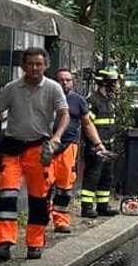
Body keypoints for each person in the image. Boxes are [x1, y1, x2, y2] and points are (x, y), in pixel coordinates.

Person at [0, 48, 69, 261]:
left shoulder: (53, 88)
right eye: (31, 64)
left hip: (39, 148)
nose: (35, 68)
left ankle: (35, 243)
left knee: (39, 198)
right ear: (23, 66)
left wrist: (56, 137)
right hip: (12, 147)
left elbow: (64, 114)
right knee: (7, 194)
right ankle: (3, 242)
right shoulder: (11, 89)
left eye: (39, 64)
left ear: (46, 66)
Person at [52, 68, 109, 233]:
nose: (64, 83)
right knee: (44, 186)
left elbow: (87, 123)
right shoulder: (47, 97)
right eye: (61, 80)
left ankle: (60, 220)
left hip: (68, 146)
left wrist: (97, 142)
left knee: (64, 186)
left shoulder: (78, 100)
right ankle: (40, 219)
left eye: (68, 80)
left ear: (72, 81)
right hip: (47, 146)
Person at [83, 68, 121, 218]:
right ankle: (86, 207)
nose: (116, 85)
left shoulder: (108, 101)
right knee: (93, 176)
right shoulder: (93, 101)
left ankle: (102, 206)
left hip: (108, 144)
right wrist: (95, 143)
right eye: (114, 82)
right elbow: (88, 124)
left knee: (107, 176)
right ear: (105, 83)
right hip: (96, 146)